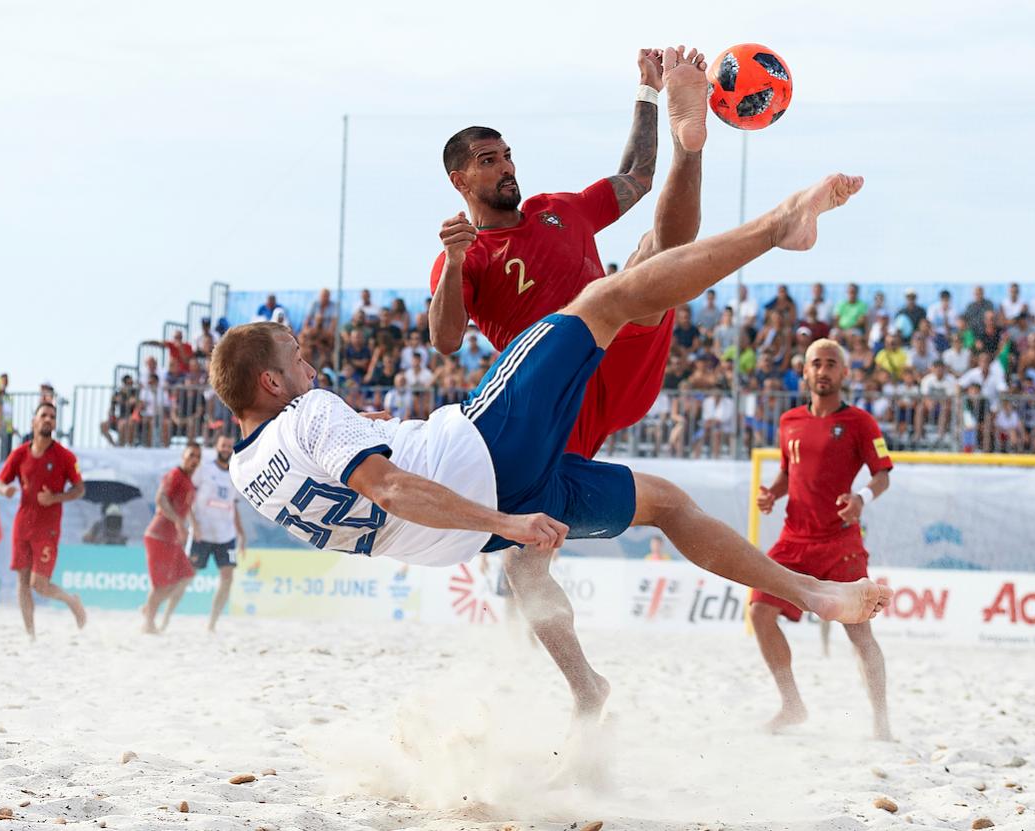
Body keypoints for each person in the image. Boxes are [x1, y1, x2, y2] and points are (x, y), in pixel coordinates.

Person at [211, 172, 890, 721]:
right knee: (605, 298)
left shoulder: (246, 469)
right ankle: (780, 224)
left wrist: (492, 522)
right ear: (270, 381)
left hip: (461, 532)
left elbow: (368, 498)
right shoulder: (310, 412)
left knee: (666, 505)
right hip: (484, 454)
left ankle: (804, 598)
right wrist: (505, 521)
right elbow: (389, 487)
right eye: (295, 359)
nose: (310, 368)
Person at [428, 46, 710, 459]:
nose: (506, 167)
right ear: (460, 181)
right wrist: (453, 262)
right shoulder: (466, 255)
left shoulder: (555, 209)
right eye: (488, 161)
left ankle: (688, 143)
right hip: (557, 392)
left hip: (614, 349)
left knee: (655, 253)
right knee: (555, 499)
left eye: (507, 156)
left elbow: (636, 176)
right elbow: (445, 340)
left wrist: (648, 90)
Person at [754, 338, 894, 739]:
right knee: (759, 612)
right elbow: (788, 472)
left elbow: (882, 474)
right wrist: (772, 493)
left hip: (840, 542)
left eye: (831, 363)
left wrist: (861, 498)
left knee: (860, 632)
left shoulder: (860, 422)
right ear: (805, 372)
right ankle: (791, 705)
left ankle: (881, 721)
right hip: (794, 539)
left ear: (844, 373)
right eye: (816, 363)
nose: (823, 370)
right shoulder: (789, 420)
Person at [0, 402, 87, 638]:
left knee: (39, 584)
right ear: (33, 422)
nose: (48, 419)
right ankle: (31, 636)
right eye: (44, 415)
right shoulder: (19, 454)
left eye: (52, 416)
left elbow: (80, 490)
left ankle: (71, 601)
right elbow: (0, 482)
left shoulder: (65, 456)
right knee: (23, 581)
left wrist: (55, 498)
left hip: (48, 526)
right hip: (23, 523)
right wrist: (4, 490)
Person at [189, 433, 248, 632]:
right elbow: (189, 496)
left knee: (228, 578)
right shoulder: (204, 469)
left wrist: (241, 534)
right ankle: (159, 610)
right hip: (202, 532)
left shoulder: (235, 474)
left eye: (229, 446)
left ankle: (212, 623)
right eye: (223, 445)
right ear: (216, 447)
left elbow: (234, 505)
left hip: (226, 535)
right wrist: (192, 524)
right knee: (188, 575)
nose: (226, 449)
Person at [142, 442, 201, 633]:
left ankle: (149, 608)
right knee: (161, 586)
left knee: (186, 577)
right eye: (191, 455)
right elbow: (160, 499)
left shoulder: (189, 482)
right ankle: (148, 624)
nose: (194, 460)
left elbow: (187, 507)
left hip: (172, 539)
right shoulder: (175, 474)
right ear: (183, 456)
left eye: (198, 457)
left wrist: (193, 524)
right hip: (159, 535)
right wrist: (178, 522)